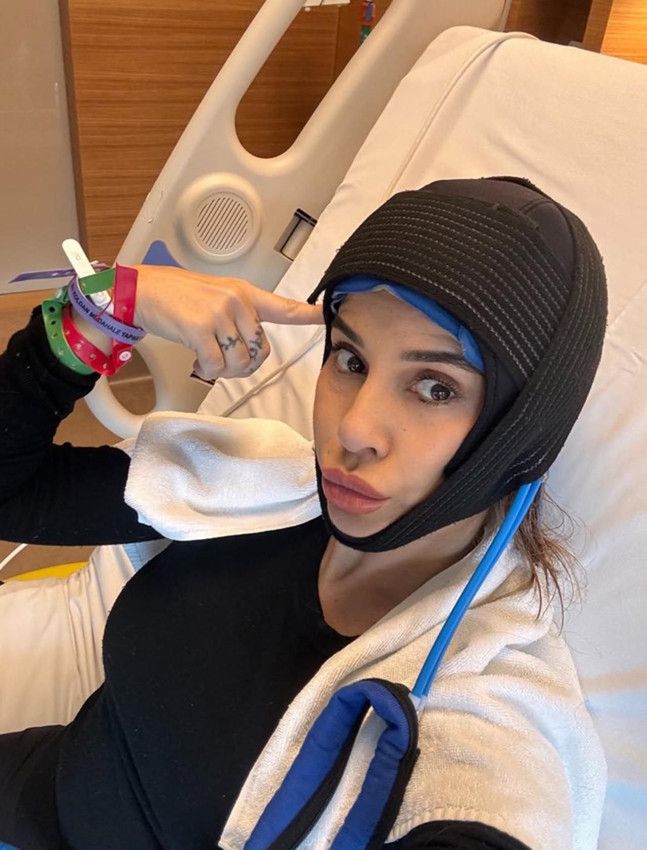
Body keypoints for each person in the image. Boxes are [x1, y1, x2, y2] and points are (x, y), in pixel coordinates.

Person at [0, 177, 607, 850]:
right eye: (350, 359)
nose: (353, 429)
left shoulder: (486, 692)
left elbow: (493, 804)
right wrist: (102, 310)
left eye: (435, 387)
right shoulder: (263, 484)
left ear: (521, 430)